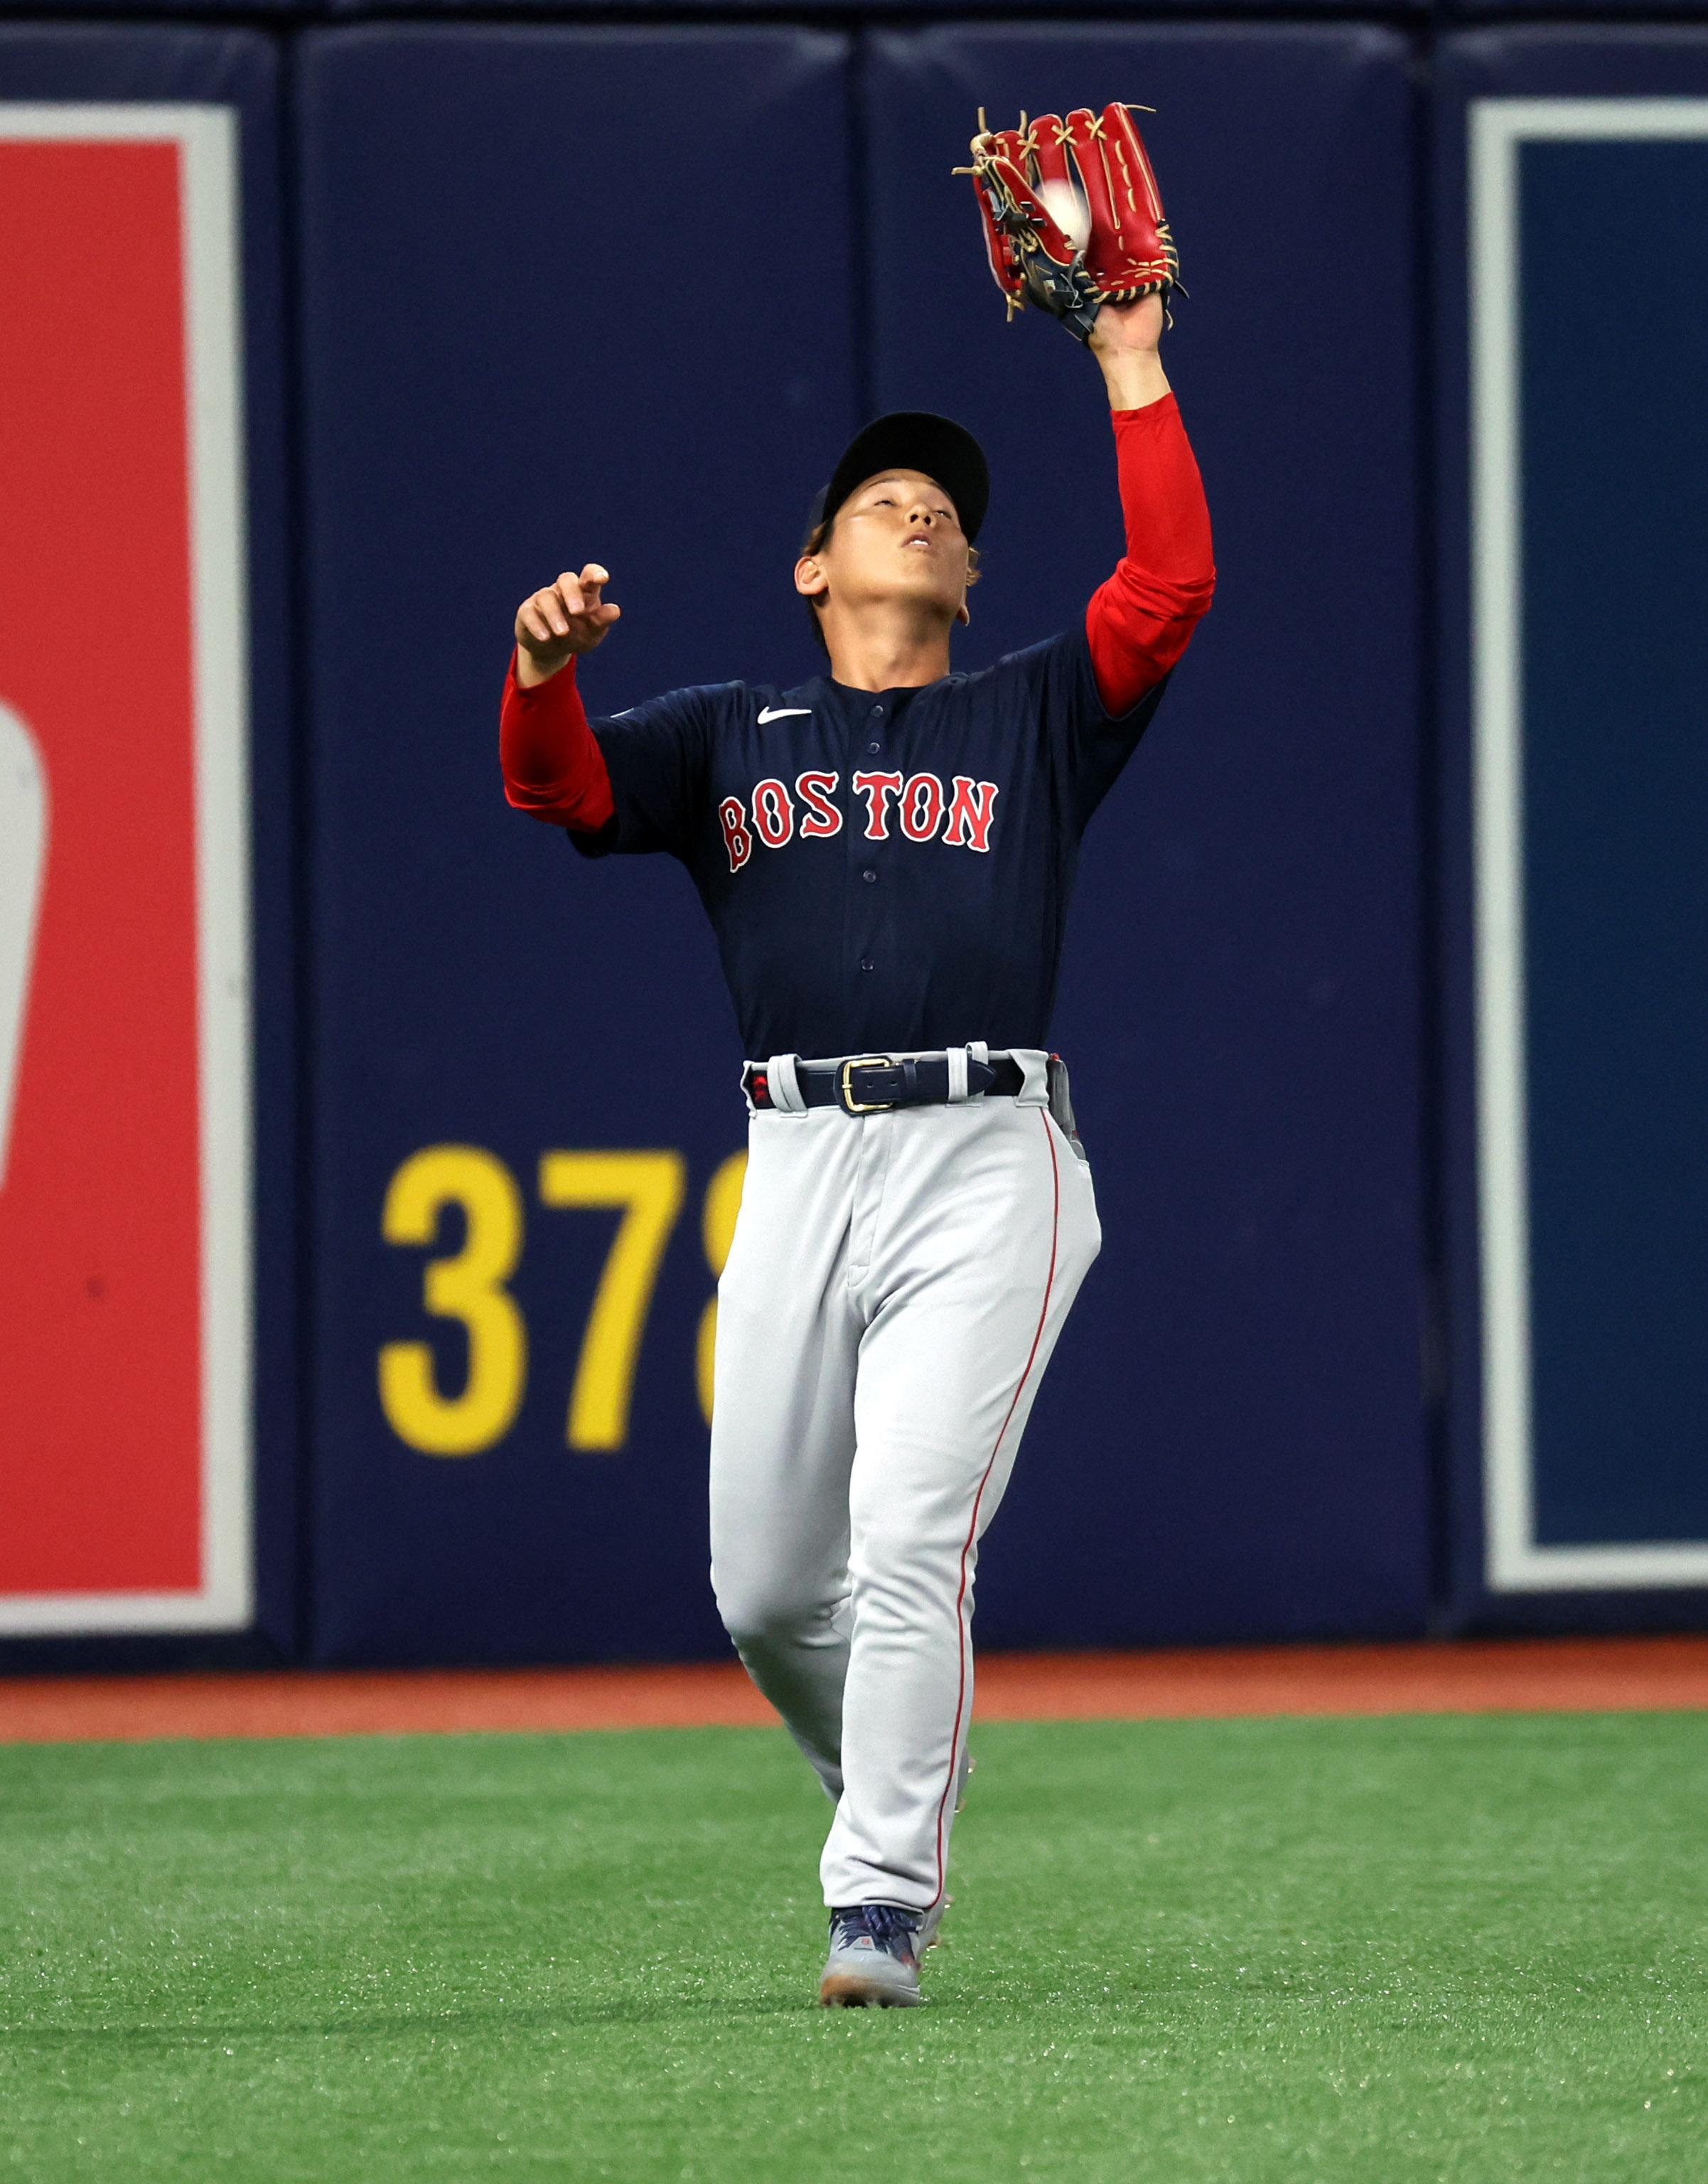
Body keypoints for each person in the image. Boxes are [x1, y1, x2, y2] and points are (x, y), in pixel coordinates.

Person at [499, 290, 1214, 2006]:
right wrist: (539, 675)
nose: (925, 510)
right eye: (884, 499)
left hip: (986, 1154)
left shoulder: (1031, 717)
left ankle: (876, 1897)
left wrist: (1128, 361)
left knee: (907, 1538)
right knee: (760, 1587)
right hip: (800, 1161)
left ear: (968, 586)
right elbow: (565, 795)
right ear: (811, 568)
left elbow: (1169, 588)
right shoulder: (725, 735)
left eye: (950, 513)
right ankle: (894, 1769)